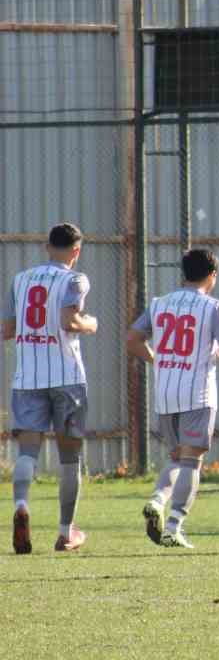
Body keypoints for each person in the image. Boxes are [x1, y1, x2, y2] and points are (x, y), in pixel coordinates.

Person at [127, 248, 219, 548]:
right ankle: (174, 526)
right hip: (197, 393)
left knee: (176, 457)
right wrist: (215, 352)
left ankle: (157, 500)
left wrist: (157, 360)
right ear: (212, 275)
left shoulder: (160, 303)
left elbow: (133, 339)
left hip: (166, 393)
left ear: (184, 273)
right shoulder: (214, 307)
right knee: (192, 462)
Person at [3, 223, 98, 554]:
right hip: (67, 378)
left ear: (47, 247)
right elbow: (69, 321)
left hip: (27, 378)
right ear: (76, 251)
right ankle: (64, 532)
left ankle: (21, 506)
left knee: (27, 450)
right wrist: (91, 324)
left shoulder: (21, 280)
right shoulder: (75, 279)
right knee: (69, 457)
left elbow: (7, 329)